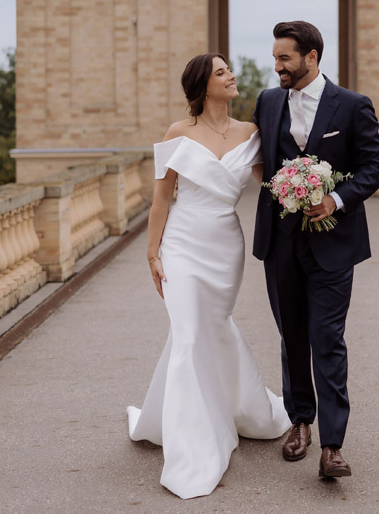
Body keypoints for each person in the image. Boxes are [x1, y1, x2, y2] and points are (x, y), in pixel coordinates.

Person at [127, 53, 291, 499]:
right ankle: (194, 449)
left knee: (211, 328)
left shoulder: (250, 134)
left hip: (224, 245)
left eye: (228, 70)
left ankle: (229, 408)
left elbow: (271, 185)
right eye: (221, 72)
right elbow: (161, 199)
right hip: (182, 243)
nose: (231, 75)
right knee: (188, 335)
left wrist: (305, 186)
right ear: (203, 85)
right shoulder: (178, 134)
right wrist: (152, 253)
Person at [252, 21, 379, 479]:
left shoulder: (351, 106)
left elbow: (374, 167)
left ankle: (333, 445)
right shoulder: (268, 102)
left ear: (312, 57)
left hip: (333, 244)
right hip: (280, 243)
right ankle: (300, 423)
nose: (277, 67)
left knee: (326, 339)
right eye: (275, 58)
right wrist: (280, 189)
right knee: (292, 337)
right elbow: (260, 161)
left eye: (285, 58)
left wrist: (336, 199)